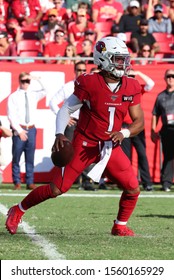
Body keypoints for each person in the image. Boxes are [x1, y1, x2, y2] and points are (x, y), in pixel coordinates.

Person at [5, 36, 144, 236]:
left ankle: (119, 225)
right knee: (56, 188)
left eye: (124, 59)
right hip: (84, 144)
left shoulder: (131, 86)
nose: (123, 64)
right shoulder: (90, 82)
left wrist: (124, 132)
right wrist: (60, 134)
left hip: (109, 146)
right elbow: (65, 110)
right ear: (103, 60)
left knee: (133, 188)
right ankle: (18, 210)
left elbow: (139, 121)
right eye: (117, 59)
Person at [49, 61, 95, 190]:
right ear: (74, 71)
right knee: (66, 152)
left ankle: (86, 181)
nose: (81, 72)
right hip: (73, 122)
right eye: (79, 70)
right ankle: (62, 180)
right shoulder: (68, 87)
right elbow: (52, 102)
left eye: (83, 70)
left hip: (85, 123)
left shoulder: (89, 85)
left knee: (85, 152)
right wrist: (66, 118)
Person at [7, 72, 47, 191]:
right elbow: (11, 115)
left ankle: (30, 181)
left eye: (27, 81)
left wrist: (36, 78)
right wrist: (19, 131)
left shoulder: (33, 94)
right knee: (16, 157)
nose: (26, 84)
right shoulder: (14, 96)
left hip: (31, 128)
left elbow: (45, 90)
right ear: (19, 81)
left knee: (30, 157)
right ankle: (17, 182)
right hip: (19, 128)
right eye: (24, 81)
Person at [121, 69, 155, 191]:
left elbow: (151, 84)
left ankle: (147, 183)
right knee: (125, 157)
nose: (131, 78)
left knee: (142, 155)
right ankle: (127, 182)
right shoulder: (120, 89)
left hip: (137, 126)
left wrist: (139, 73)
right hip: (124, 126)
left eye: (132, 76)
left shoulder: (137, 89)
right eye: (128, 76)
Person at [151, 69, 174, 192]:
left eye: (173, 76)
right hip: (167, 129)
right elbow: (155, 113)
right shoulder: (161, 96)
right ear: (164, 78)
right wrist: (153, 130)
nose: (171, 78)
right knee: (168, 156)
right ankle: (166, 182)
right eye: (168, 76)